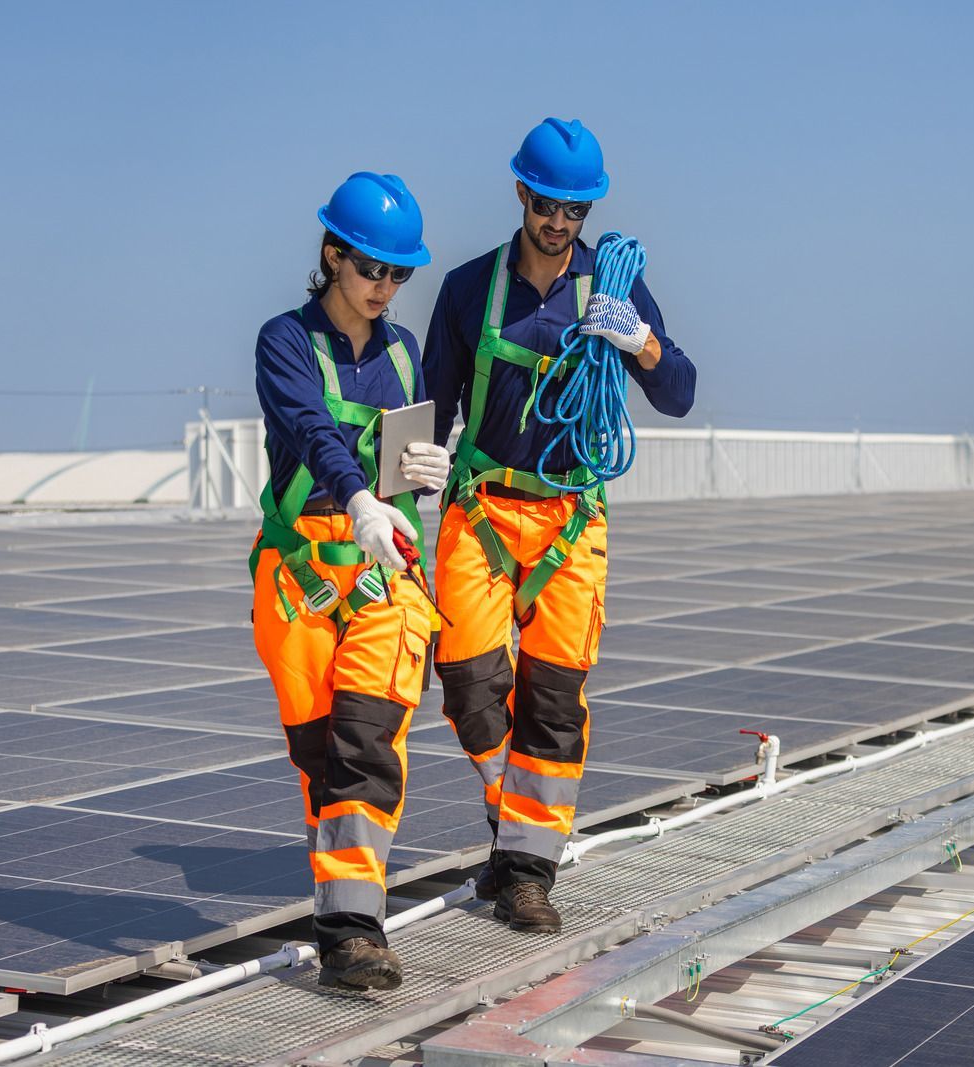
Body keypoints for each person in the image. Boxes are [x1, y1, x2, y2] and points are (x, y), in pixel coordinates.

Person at [422, 118, 696, 933]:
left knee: (553, 704)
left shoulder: (612, 290)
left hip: (571, 519)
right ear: (521, 193)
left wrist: (640, 342)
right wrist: (392, 498)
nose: (560, 222)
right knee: (470, 684)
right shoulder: (471, 289)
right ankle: (522, 837)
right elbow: (430, 408)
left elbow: (678, 391)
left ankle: (527, 873)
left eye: (576, 209)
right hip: (481, 507)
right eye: (548, 204)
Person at [250, 171, 450, 990]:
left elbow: (400, 470)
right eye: (373, 269)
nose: (386, 288)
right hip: (301, 573)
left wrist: (418, 475)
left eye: (400, 274)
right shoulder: (283, 340)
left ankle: (352, 929)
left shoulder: (402, 353)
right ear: (332, 255)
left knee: (369, 742)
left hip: (381, 574)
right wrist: (360, 496)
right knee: (321, 756)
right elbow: (310, 431)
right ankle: (343, 906)